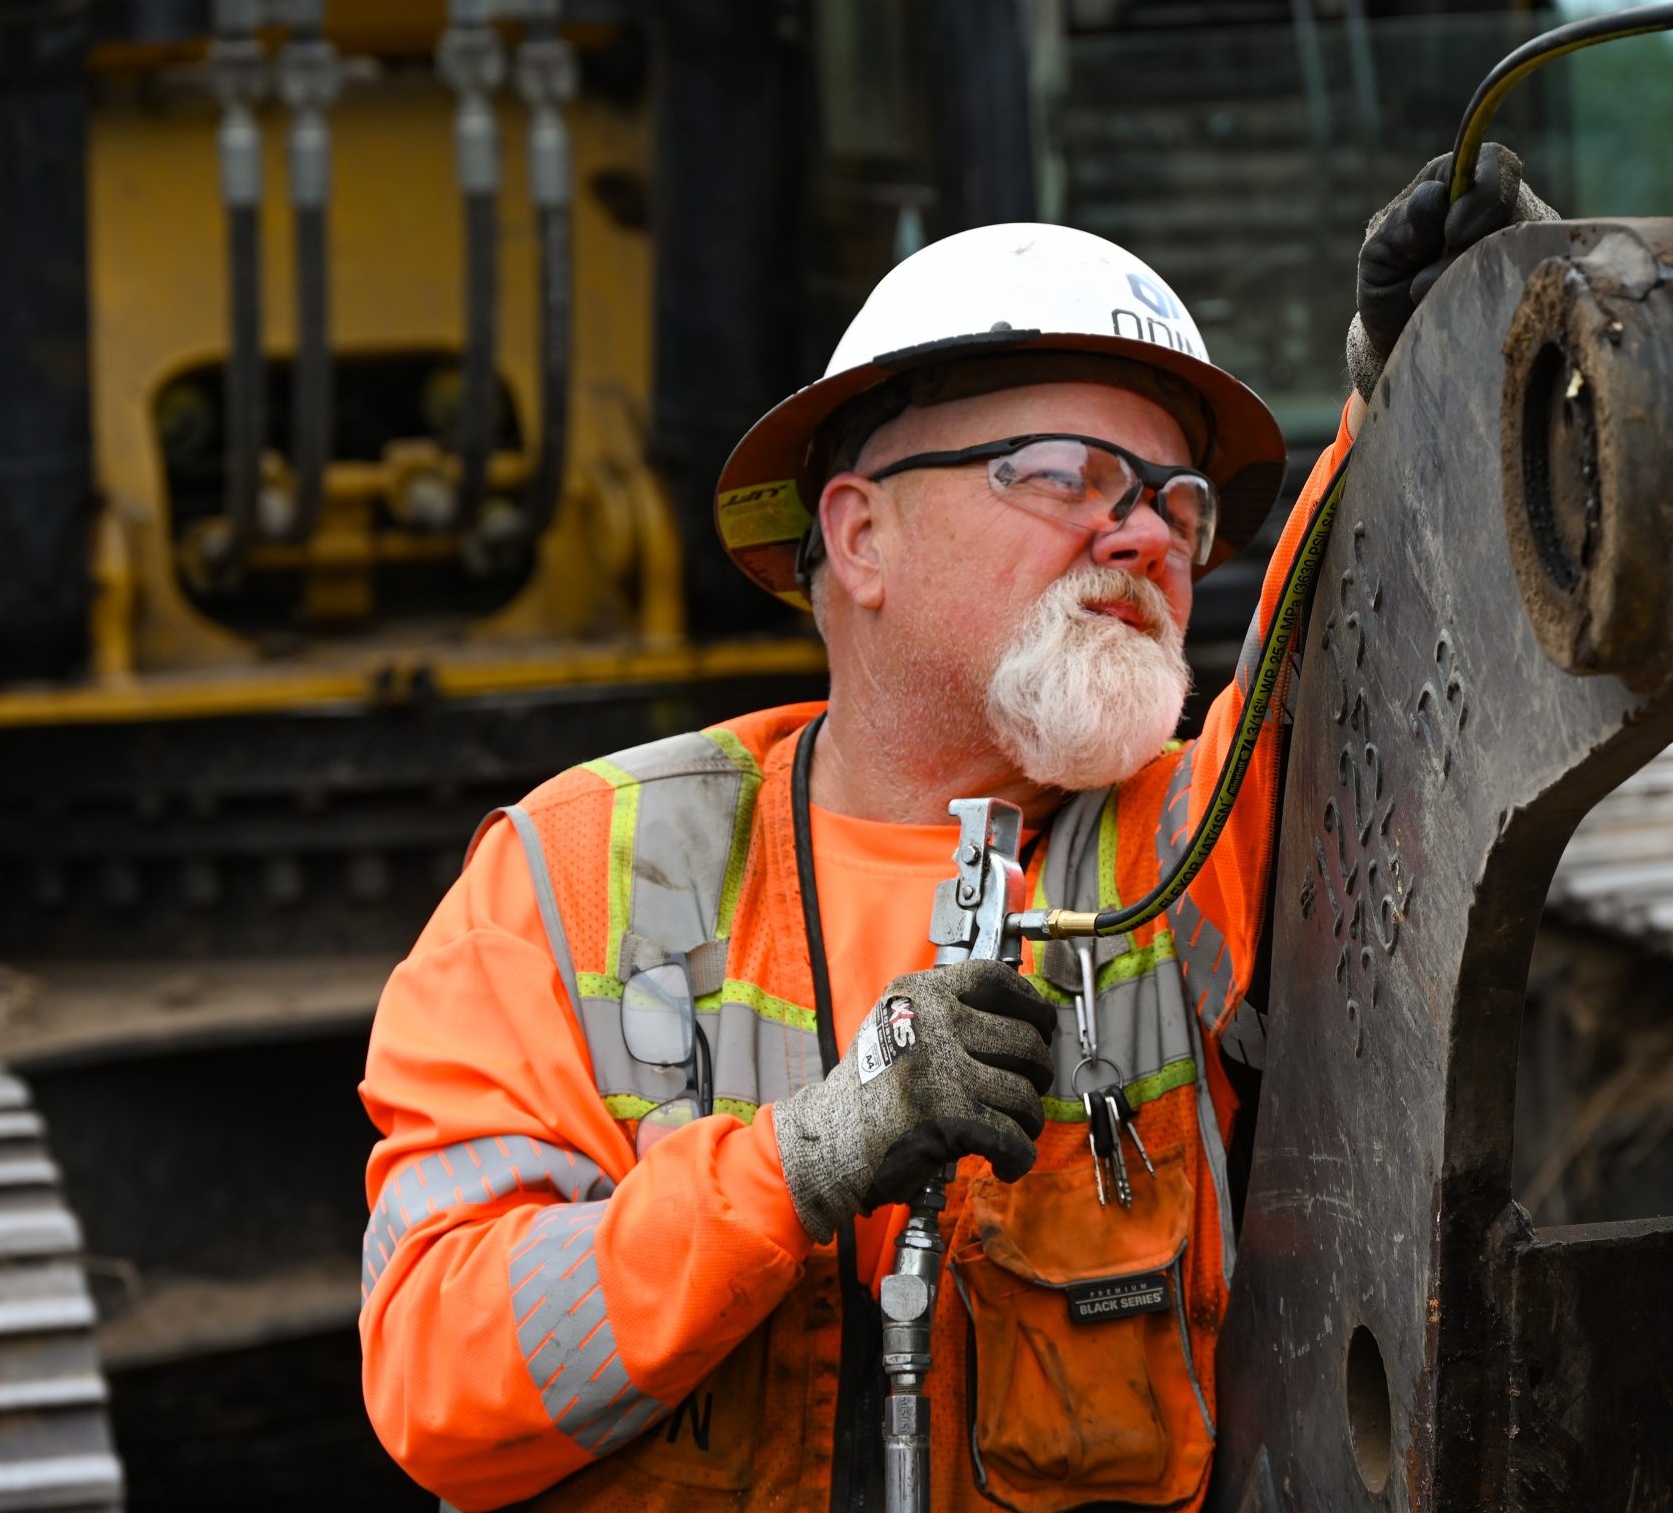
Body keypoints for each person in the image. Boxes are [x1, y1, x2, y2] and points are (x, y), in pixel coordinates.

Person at [358, 146, 1548, 1511]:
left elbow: (1356, 636)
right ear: (861, 537)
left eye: (1176, 500)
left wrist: (1438, 376)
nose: (1143, 536)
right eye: (1063, 474)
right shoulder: (575, 882)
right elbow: (438, 1369)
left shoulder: (1183, 850)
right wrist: (802, 1161)